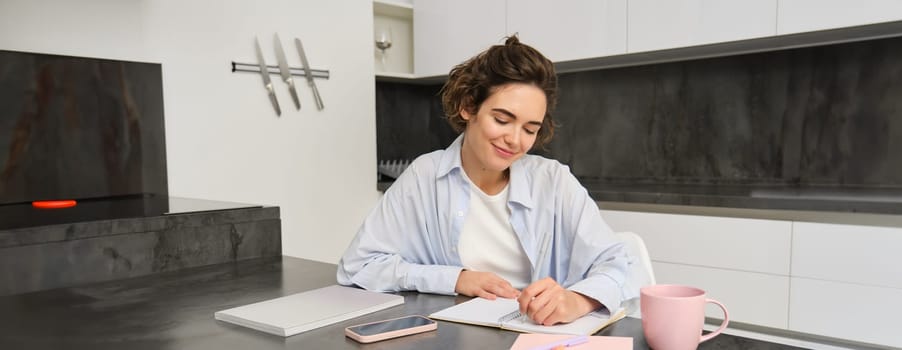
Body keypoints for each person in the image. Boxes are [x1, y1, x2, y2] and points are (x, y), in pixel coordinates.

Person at [337, 35, 635, 326]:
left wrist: (578, 300)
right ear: (469, 106)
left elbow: (619, 263)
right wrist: (456, 278)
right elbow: (358, 266)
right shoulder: (425, 176)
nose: (515, 140)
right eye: (502, 120)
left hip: (537, 336)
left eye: (530, 129)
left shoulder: (553, 181)